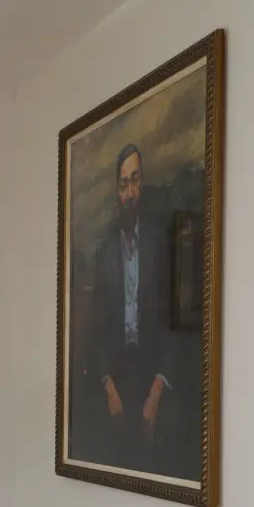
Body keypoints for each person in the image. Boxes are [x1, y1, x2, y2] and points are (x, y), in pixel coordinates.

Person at [88, 144, 179, 475]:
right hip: (116, 371)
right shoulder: (105, 250)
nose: (130, 192)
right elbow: (97, 330)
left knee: (166, 433)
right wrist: (109, 386)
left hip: (151, 368)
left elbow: (173, 325)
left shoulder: (159, 243)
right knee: (105, 441)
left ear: (142, 183)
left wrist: (156, 391)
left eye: (135, 181)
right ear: (116, 190)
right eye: (123, 183)